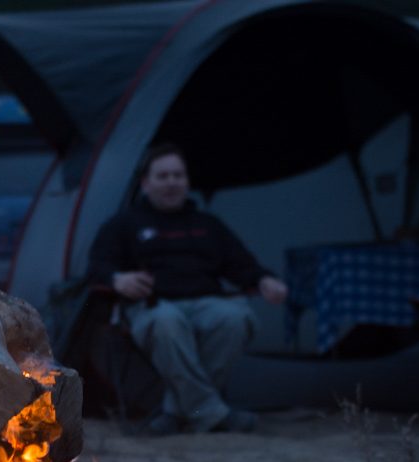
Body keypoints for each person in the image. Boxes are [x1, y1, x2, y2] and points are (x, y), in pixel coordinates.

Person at [87, 143, 288, 435]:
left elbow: (242, 264)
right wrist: (119, 279)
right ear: (146, 183)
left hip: (205, 302)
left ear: (187, 182)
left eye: (177, 176)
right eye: (163, 176)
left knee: (235, 317)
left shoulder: (207, 225)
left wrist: (264, 280)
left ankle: (176, 411)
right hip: (152, 304)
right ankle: (210, 413)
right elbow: (97, 267)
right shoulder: (124, 224)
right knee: (168, 322)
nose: (171, 183)